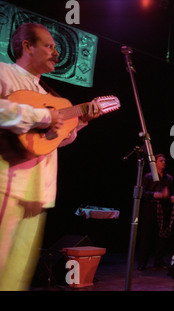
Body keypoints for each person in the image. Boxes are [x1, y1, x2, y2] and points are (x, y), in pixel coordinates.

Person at [0, 23, 101, 290]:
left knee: (16, 273)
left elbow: (53, 141)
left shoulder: (47, 94)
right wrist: (45, 116)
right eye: (49, 46)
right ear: (26, 46)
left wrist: (77, 124)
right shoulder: (4, 72)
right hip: (6, 185)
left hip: (37, 191)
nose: (56, 52)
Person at [137, 153, 174, 270]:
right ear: (155, 163)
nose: (164, 162)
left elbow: (173, 191)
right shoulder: (148, 177)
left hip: (164, 210)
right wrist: (155, 194)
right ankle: (142, 263)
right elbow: (142, 193)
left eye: (164, 160)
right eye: (161, 161)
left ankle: (159, 261)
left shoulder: (169, 178)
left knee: (161, 237)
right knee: (146, 237)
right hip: (150, 210)